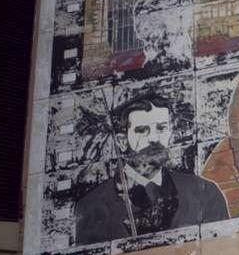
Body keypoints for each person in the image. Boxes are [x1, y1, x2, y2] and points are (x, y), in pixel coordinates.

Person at [75, 93, 229, 245]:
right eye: (142, 130)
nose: (155, 138)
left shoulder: (204, 193)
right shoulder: (91, 206)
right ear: (122, 141)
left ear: (170, 134)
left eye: (161, 128)